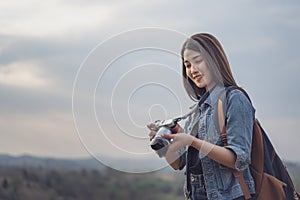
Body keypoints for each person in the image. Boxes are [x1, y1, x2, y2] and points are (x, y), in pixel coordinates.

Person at [147, 33, 256, 200]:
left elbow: (237, 159)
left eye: (198, 61)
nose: (192, 70)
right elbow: (179, 163)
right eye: (187, 65)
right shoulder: (197, 111)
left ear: (214, 59)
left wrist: (192, 141)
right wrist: (162, 143)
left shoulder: (235, 99)